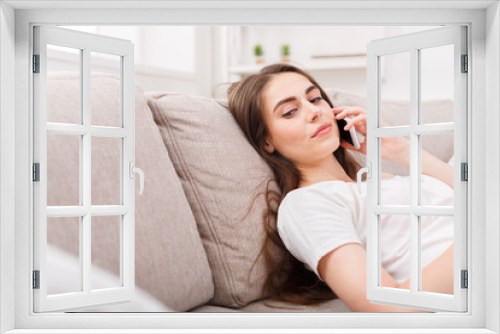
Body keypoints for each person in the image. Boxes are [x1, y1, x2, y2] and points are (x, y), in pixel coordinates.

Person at [226, 63, 455, 312]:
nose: (314, 111)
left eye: (315, 98)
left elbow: (477, 196)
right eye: (290, 111)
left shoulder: (378, 180)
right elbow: (388, 308)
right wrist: (481, 236)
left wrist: (402, 150)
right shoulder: (306, 204)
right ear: (266, 141)